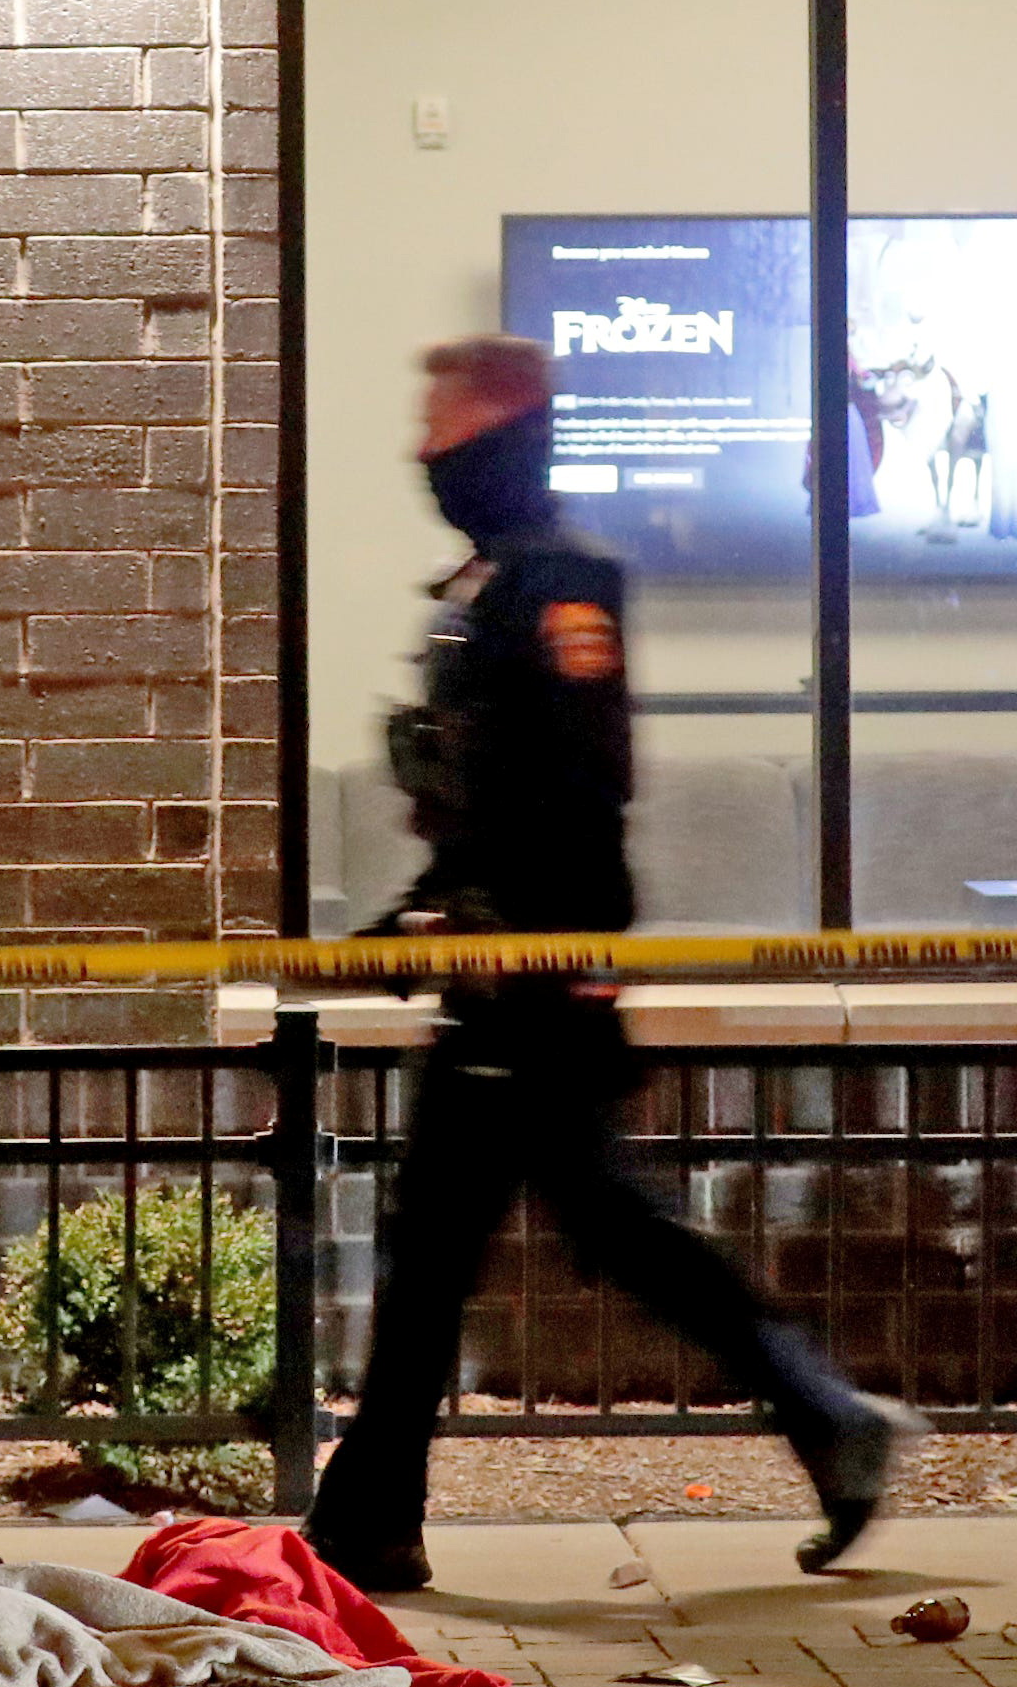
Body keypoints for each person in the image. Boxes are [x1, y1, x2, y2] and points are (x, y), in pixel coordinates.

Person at [301, 334, 921, 1594]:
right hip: (493, 973)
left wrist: (551, 945)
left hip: (537, 984)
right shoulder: (483, 588)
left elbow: (585, 792)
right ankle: (372, 1517)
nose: (424, 453)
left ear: (502, 444)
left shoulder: (561, 587)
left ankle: (371, 1517)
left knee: (514, 1243)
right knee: (540, 1237)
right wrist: (418, 914)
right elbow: (474, 793)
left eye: (444, 432)